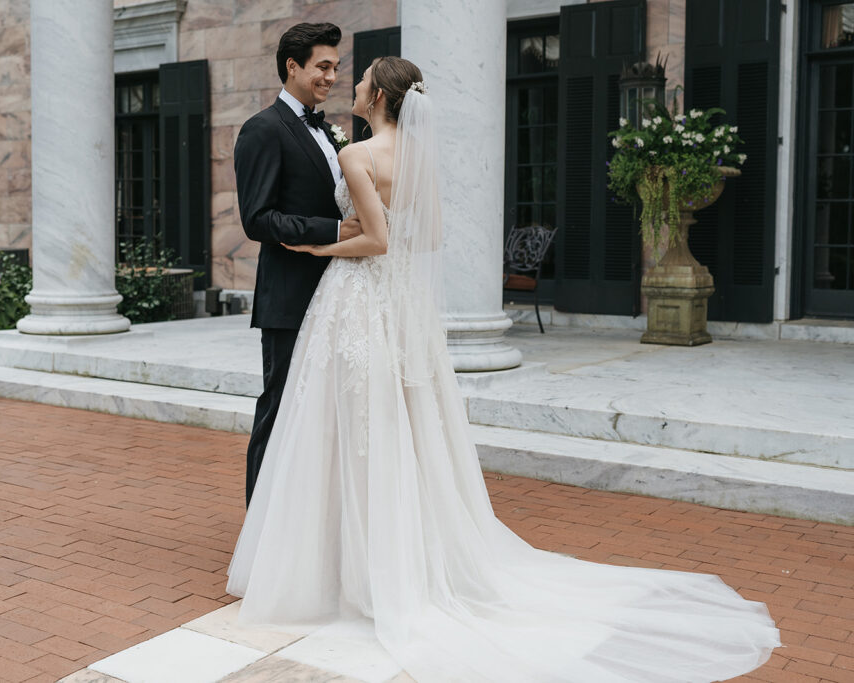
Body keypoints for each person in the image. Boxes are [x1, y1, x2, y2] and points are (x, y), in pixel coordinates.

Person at [228, 56, 781, 682]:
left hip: (357, 295)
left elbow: (375, 241)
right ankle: (387, 554)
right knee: (396, 425)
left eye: (358, 81)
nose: (349, 85)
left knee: (351, 425)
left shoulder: (360, 155)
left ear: (378, 95)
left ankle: (345, 565)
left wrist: (316, 243)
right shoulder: (417, 155)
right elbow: (424, 238)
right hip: (396, 302)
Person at [234, 22, 361, 506]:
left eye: (335, 66)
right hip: (290, 296)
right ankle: (261, 525)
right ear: (293, 66)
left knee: (323, 413)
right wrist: (331, 232)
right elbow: (258, 219)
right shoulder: (262, 129)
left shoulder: (328, 130)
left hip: (338, 290)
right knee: (281, 406)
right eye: (322, 66)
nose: (332, 76)